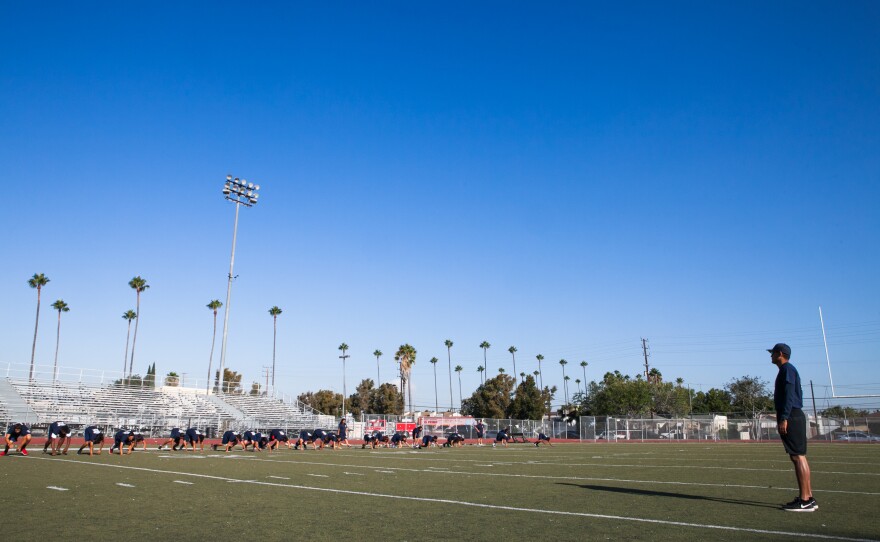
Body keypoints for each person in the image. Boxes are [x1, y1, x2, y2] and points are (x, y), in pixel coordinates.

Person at [770, 343, 817, 512]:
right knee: (797, 456)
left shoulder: (787, 369)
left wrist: (784, 418)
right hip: (792, 415)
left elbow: (790, 395)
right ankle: (808, 497)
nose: (771, 356)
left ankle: (805, 500)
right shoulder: (786, 370)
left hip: (792, 416)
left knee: (798, 457)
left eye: (773, 353)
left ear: (780, 354)